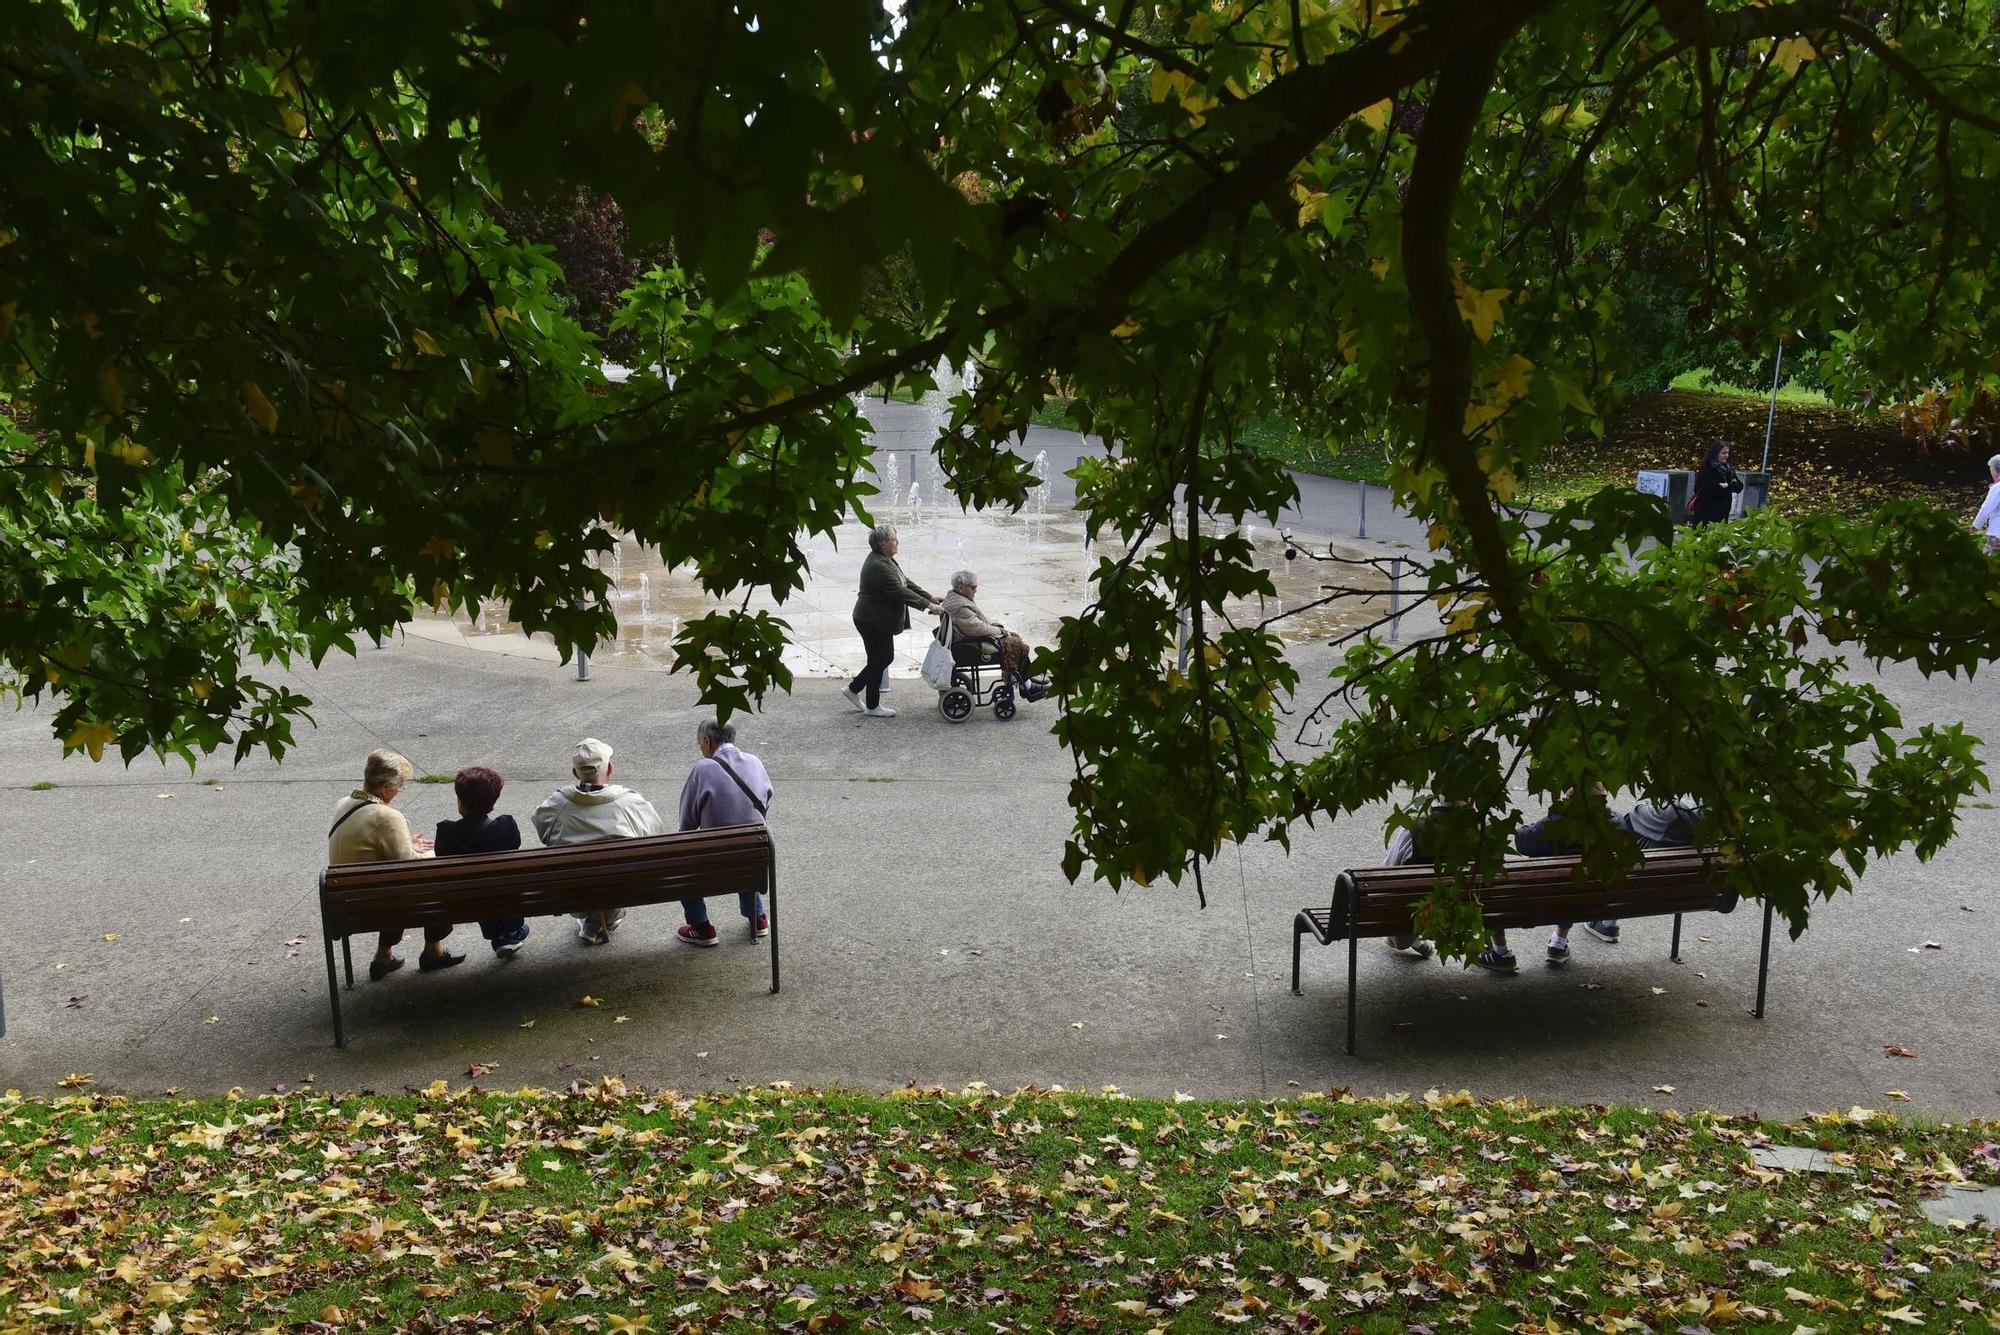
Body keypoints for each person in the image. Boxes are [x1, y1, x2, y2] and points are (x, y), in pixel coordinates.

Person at [327, 748, 463, 980]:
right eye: (400, 785)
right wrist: (433, 854)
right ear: (384, 786)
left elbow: (366, 847)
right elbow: (409, 866)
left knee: (390, 883)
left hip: (344, 902)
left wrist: (406, 844)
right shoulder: (387, 816)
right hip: (374, 905)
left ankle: (384, 956)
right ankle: (433, 950)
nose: (401, 790)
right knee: (437, 880)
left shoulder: (344, 804)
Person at [532, 738, 667, 945]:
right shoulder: (629, 802)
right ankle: (602, 918)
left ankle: (592, 919)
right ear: (610, 768)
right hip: (621, 890)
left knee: (582, 875)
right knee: (618, 873)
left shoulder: (558, 803)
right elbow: (655, 834)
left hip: (573, 893)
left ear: (575, 773)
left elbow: (543, 832)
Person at [1476, 789, 1610, 973]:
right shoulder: (1616, 824)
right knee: (1574, 885)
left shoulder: (1556, 826)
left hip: (1538, 902)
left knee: (1491, 885)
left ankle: (1501, 952)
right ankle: (1558, 943)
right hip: (1590, 902)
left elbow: (1522, 841)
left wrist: (1556, 815)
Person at [674, 717, 775, 947]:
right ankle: (757, 918)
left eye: (700, 744)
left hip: (715, 863)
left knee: (681, 859)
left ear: (707, 741)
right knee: (743, 845)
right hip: (754, 858)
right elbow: (766, 800)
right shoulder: (755, 761)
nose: (701, 749)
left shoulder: (703, 768)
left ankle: (701, 927)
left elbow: (687, 824)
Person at [842, 524, 940, 719]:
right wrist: (929, 606)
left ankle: (853, 689)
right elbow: (899, 591)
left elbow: (906, 582)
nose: (897, 542)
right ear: (883, 543)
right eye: (894, 539)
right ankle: (872, 705)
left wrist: (930, 598)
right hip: (870, 620)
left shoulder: (886, 559)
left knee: (882, 658)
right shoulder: (878, 565)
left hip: (877, 619)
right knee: (880, 659)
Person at [434, 765, 529, 958]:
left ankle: (503, 935)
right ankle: (509, 933)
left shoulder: (446, 832)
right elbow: (514, 846)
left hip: (463, 901)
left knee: (478, 888)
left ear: (459, 800)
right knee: (499, 883)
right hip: (502, 895)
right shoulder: (506, 826)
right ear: (492, 803)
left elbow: (441, 856)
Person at [1582, 799, 1705, 944]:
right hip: (1690, 893)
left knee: (1625, 824)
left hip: (1640, 885)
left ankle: (1607, 923)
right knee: (1653, 838)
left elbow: (1637, 813)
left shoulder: (1674, 810)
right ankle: (1609, 922)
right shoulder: (1722, 817)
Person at [939, 570, 1047, 701]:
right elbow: (978, 628)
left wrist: (997, 627)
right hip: (971, 645)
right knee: (1017, 644)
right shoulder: (961, 607)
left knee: (1015, 638)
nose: (976, 590)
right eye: (973, 587)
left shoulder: (956, 599)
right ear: (961, 588)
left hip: (968, 640)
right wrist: (1001, 631)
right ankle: (1027, 685)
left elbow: (978, 622)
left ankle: (1026, 679)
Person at [1381, 809, 1442, 959]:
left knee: (1399, 935)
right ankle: (1501, 948)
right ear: (1473, 800)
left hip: (1414, 915)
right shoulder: (1484, 831)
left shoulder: (1415, 827)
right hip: (1466, 912)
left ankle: (1410, 938)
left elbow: (1389, 873)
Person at [1688, 440, 1745, 525]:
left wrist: (1726, 486)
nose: (1726, 455)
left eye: (1728, 453)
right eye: (1723, 453)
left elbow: (1739, 487)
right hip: (1706, 509)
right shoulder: (1707, 468)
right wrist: (1729, 485)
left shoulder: (1729, 469)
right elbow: (1709, 487)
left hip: (1723, 510)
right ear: (1716, 453)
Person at [1973, 453, 2000, 555]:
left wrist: (1976, 525)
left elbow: (1986, 508)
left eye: (1991, 470)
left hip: (1997, 532)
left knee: (1990, 563)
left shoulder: (1997, 487)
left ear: (1997, 471)